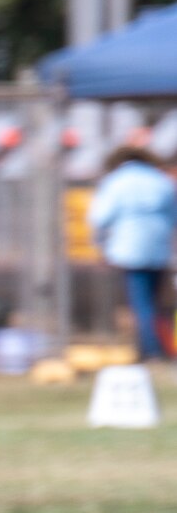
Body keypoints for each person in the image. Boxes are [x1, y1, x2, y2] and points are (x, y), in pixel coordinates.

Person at [88, 141, 177, 361]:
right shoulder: (160, 180)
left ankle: (150, 351)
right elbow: (173, 216)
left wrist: (100, 246)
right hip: (158, 248)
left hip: (129, 248)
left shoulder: (116, 181)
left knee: (141, 303)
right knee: (159, 303)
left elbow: (100, 217)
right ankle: (163, 347)